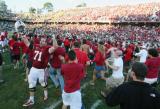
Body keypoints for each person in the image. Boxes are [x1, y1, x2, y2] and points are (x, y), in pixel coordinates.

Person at [22, 36, 57, 107]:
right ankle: (31, 100)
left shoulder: (47, 48)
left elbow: (55, 47)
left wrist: (54, 38)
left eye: (43, 41)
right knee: (31, 83)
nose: (41, 41)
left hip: (41, 70)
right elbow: (27, 43)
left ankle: (46, 93)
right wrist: (24, 37)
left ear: (46, 43)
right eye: (41, 40)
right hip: (33, 69)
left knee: (43, 82)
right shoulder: (36, 46)